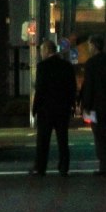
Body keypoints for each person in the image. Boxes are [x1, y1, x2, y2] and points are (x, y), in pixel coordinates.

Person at [29, 39, 77, 176]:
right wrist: (72, 104)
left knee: (43, 140)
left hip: (46, 109)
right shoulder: (66, 66)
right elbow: (72, 87)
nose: (41, 54)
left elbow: (40, 89)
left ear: (46, 50)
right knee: (63, 139)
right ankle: (64, 166)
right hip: (62, 108)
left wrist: (35, 107)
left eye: (42, 51)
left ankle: (40, 167)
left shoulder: (43, 66)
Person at [78, 33, 106, 176]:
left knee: (99, 136)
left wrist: (85, 105)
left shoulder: (91, 63)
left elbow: (89, 86)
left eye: (90, 45)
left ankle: (104, 166)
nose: (89, 48)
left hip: (97, 107)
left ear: (94, 45)